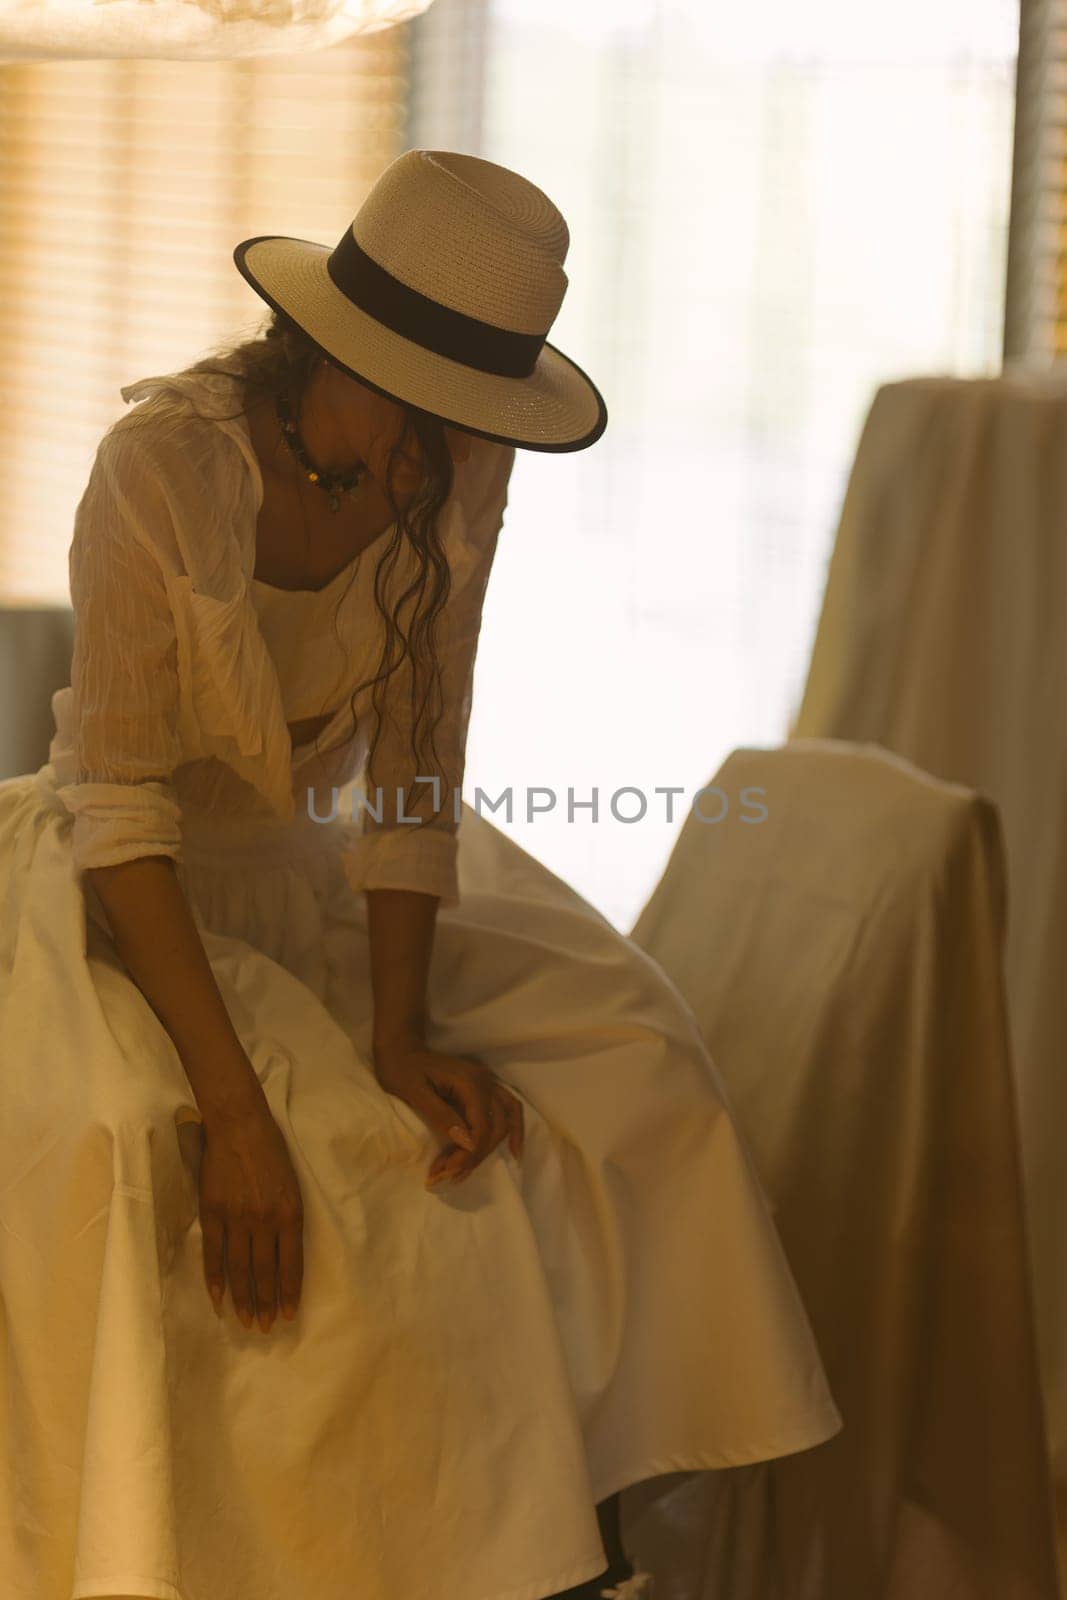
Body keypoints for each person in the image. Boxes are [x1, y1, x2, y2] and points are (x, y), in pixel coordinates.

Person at [0, 149, 842, 1600]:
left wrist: (399, 1031)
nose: (460, 448)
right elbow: (123, 807)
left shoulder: (454, 471)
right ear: (336, 353)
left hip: (318, 870)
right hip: (123, 885)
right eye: (437, 405)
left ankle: (582, 1502)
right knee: (179, 1144)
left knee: (636, 1059)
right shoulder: (170, 467)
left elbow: (411, 768)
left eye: (481, 415)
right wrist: (239, 1105)